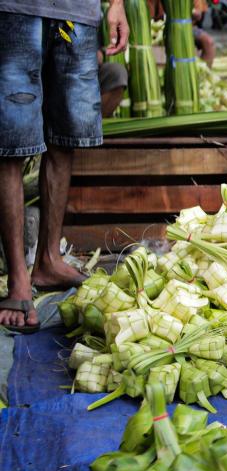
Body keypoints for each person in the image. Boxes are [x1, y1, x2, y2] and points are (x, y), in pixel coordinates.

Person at [0, 0, 129, 333]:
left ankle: (48, 260)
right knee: (10, 143)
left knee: (64, 139)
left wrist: (117, 4)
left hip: (77, 12)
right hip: (15, 8)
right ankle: (18, 280)